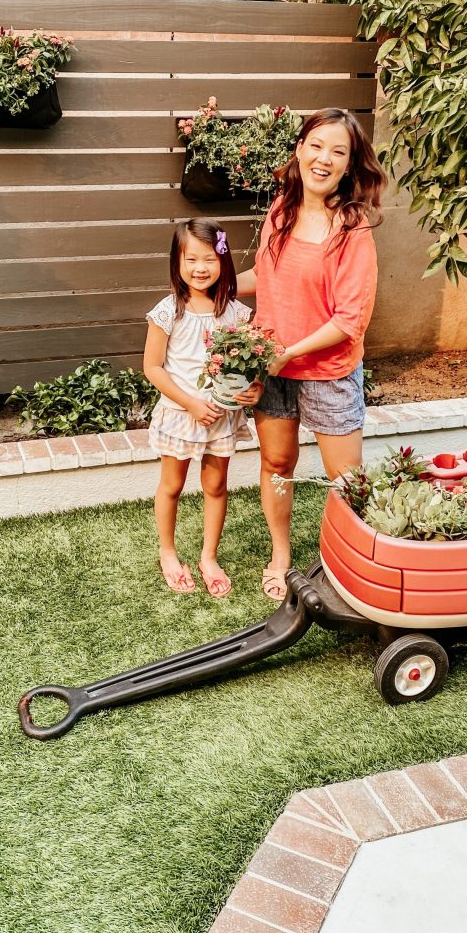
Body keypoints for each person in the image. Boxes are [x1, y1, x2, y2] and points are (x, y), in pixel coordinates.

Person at [236, 108, 386, 601]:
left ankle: (344, 562)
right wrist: (212, 288)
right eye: (316, 146)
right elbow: (266, 279)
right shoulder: (280, 210)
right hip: (274, 368)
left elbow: (350, 319)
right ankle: (281, 555)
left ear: (349, 166)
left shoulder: (352, 231)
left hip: (327, 371)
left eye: (337, 152)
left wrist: (289, 352)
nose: (324, 159)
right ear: (299, 149)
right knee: (277, 464)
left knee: (346, 481)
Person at [143, 218, 261, 597]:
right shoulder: (168, 311)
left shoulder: (236, 314)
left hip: (220, 419)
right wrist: (191, 402)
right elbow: (152, 367)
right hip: (181, 415)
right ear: (176, 263)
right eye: (190, 259)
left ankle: (208, 556)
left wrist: (254, 389)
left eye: (209, 258)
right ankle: (168, 552)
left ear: (223, 260)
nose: (199, 268)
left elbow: (249, 368)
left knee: (215, 485)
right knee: (172, 485)